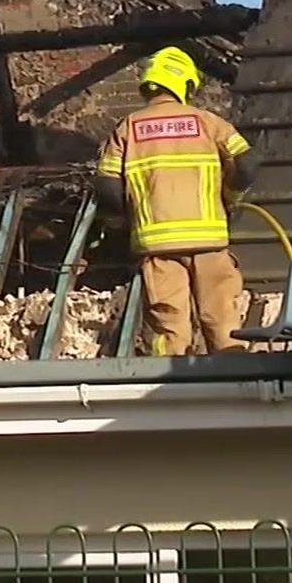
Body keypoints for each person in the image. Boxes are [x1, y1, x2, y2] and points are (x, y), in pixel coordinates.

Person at [94, 46, 260, 355]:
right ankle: (236, 391)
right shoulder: (210, 122)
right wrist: (231, 198)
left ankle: (169, 394)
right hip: (210, 243)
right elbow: (248, 164)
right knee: (225, 326)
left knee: (169, 333)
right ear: (184, 84)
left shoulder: (128, 128)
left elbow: (107, 186)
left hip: (157, 248)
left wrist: (129, 220)